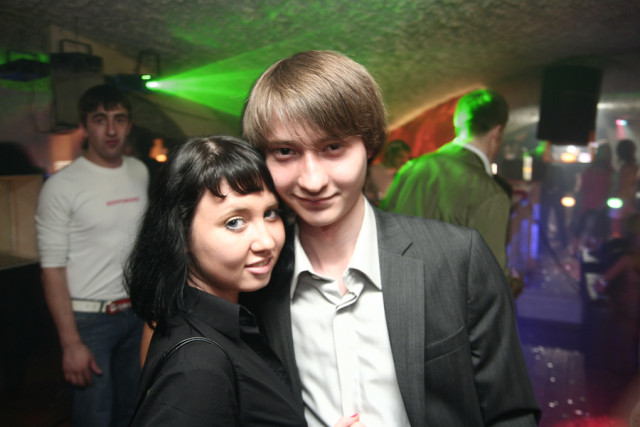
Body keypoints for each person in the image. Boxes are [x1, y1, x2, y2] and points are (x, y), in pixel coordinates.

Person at [242, 50, 540, 426]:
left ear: (368, 145)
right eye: (285, 152)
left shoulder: (458, 258)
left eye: (333, 148)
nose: (313, 180)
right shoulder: (254, 282)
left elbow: (511, 413)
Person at [127, 136, 363, 426]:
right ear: (181, 234)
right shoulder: (196, 367)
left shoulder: (227, 321)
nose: (266, 241)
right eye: (235, 222)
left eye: (270, 213)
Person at [35, 84, 148, 426]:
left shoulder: (139, 171)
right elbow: (52, 269)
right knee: (94, 417)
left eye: (119, 119)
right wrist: (71, 343)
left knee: (133, 412)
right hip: (89, 321)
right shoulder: (61, 186)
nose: (111, 130)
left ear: (129, 125)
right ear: (84, 126)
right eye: (100, 120)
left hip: (136, 313)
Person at [380, 89, 520, 295]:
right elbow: (488, 286)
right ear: (497, 132)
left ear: (458, 123)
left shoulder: (412, 168)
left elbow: (381, 231)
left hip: (394, 298)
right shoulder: (491, 193)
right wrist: (512, 285)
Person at [364, 139, 411, 205]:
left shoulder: (405, 174)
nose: (404, 161)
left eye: (407, 157)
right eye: (400, 157)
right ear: (390, 155)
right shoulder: (372, 171)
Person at [611, 139, 639, 237]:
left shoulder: (623, 167)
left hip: (622, 199)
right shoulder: (632, 167)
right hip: (627, 200)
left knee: (616, 225)